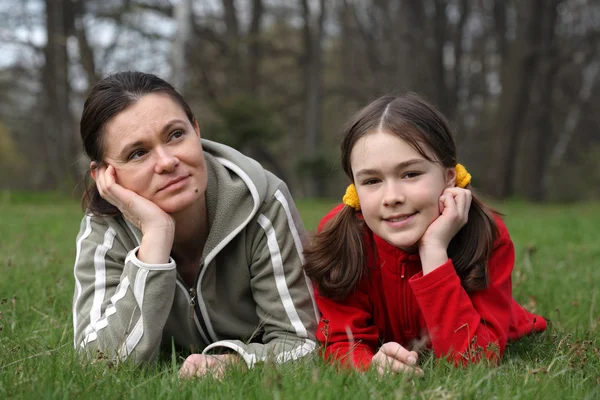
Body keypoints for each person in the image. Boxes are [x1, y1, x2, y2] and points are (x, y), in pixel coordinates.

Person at [72, 71, 318, 378]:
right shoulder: (105, 231)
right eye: (138, 153)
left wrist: (237, 363)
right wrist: (156, 238)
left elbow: (303, 344)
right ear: (106, 177)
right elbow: (97, 365)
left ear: (196, 130)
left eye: (176, 135)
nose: (166, 161)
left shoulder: (261, 201)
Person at [303, 93, 547, 376]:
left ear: (448, 176)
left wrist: (433, 251)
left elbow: (475, 362)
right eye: (372, 181)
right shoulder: (343, 238)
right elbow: (340, 342)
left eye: (410, 174)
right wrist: (368, 366)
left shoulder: (486, 235)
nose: (392, 197)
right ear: (355, 188)